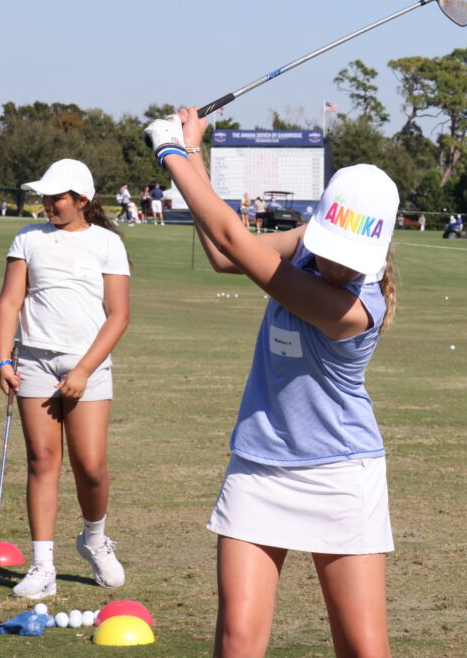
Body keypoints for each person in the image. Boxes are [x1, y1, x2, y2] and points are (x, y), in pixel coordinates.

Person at [145, 110, 398, 657]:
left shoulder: (354, 309)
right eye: (327, 246)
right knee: (237, 638)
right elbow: (222, 253)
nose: (332, 264)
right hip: (260, 466)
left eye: (348, 258)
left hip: (339, 472)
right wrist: (193, 149)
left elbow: (237, 241)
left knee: (362, 647)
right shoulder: (311, 241)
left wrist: (171, 152)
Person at [0, 158, 131, 600]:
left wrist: (85, 370)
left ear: (82, 200)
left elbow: (119, 314)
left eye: (57, 197)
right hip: (33, 363)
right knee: (41, 461)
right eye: (46, 197)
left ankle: (93, 538)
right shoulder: (27, 239)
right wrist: (2, 361)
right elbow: (9, 302)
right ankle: (43, 566)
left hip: (88, 366)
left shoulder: (108, 243)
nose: (48, 204)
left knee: (90, 466)